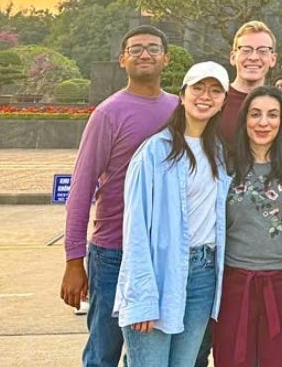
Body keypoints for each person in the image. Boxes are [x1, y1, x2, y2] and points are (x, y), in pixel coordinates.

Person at [61, 25, 178, 367]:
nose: (145, 54)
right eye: (136, 48)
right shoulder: (108, 114)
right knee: (104, 349)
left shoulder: (180, 109)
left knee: (147, 352)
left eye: (153, 48)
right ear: (122, 59)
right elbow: (81, 190)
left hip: (162, 252)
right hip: (114, 250)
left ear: (166, 59)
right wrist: (73, 261)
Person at [114, 62, 232, 366]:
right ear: (182, 94)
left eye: (215, 90)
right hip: (160, 274)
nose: (206, 96)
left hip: (203, 275)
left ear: (222, 102)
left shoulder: (219, 153)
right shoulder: (154, 152)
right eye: (198, 88)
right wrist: (142, 299)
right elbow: (135, 228)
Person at [213, 86, 282, 366]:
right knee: (233, 359)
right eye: (255, 114)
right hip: (234, 283)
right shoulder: (226, 167)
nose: (263, 122)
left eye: (272, 115)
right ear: (244, 119)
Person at [219, 21, 279, 140]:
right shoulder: (216, 101)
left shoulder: (280, 105)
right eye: (246, 50)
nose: (253, 58)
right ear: (233, 57)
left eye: (262, 51)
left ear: (273, 59)